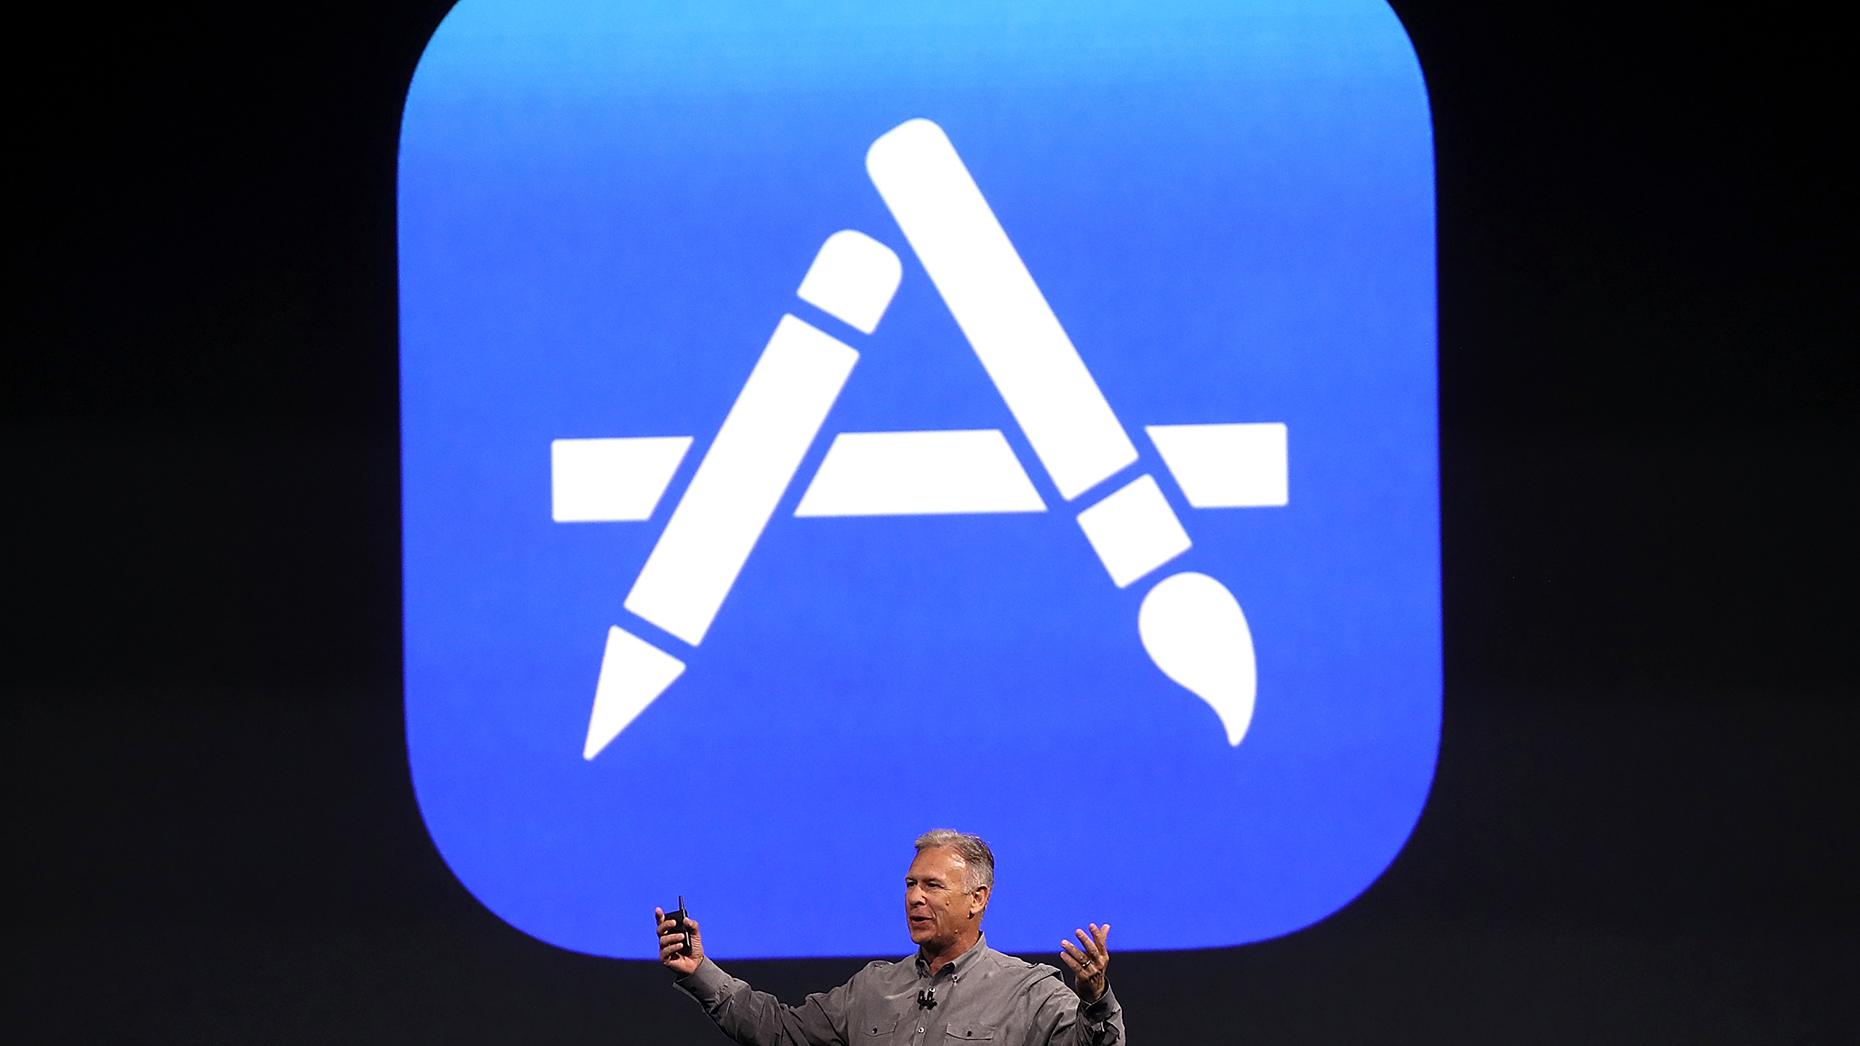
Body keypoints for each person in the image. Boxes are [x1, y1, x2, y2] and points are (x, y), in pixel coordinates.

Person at [654, 829, 1125, 1045]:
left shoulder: (1030, 992)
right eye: (910, 884)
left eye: (932, 886)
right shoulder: (873, 988)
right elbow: (780, 1030)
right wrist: (700, 970)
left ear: (977, 899)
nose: (915, 898)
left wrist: (1096, 998)